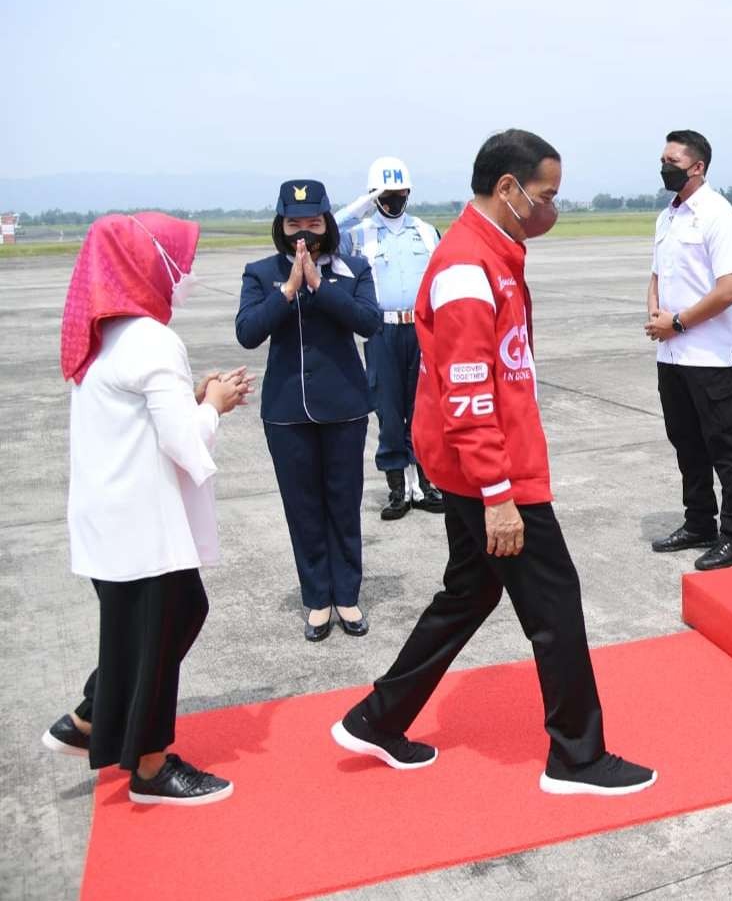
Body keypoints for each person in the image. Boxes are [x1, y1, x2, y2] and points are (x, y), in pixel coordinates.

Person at [332, 129, 656, 796]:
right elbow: (470, 392)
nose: (552, 210)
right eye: (546, 195)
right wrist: (499, 493)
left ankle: (378, 717)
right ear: (507, 189)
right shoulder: (464, 269)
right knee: (555, 602)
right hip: (493, 472)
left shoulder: (492, 255)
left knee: (472, 590)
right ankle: (577, 756)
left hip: (478, 467)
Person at [42, 212, 252, 805]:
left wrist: (192, 401)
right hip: (142, 524)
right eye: (178, 262)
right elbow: (184, 442)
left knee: (158, 625)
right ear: (148, 264)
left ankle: (88, 720)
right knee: (163, 629)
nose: (184, 274)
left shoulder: (102, 333)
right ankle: (152, 768)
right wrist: (214, 405)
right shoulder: (154, 340)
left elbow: (135, 421)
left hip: (109, 519)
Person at [236, 180, 382, 642]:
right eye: (294, 223)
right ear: (281, 225)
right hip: (286, 413)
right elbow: (248, 333)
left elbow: (368, 322)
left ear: (327, 224)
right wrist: (288, 289)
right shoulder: (260, 273)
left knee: (344, 504)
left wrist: (319, 286)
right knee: (303, 509)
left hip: (344, 408)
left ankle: (347, 596)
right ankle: (317, 598)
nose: (304, 231)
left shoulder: (353, 269)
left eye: (313, 222)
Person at [644, 129, 732, 572]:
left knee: (724, 447)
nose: (664, 167)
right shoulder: (666, 217)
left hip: (709, 357)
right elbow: (656, 275)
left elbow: (729, 289)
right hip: (672, 357)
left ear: (697, 167)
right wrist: (655, 312)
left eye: (672, 160)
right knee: (686, 444)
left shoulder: (717, 214)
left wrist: (677, 322)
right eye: (662, 159)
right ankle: (699, 523)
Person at [341, 157, 446, 520]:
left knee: (424, 409)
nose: (394, 200)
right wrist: (362, 205)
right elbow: (324, 233)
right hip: (381, 330)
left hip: (421, 330)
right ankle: (398, 489)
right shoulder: (359, 234)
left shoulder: (426, 231)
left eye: (400, 193)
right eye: (386, 195)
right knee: (388, 410)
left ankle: (428, 483)